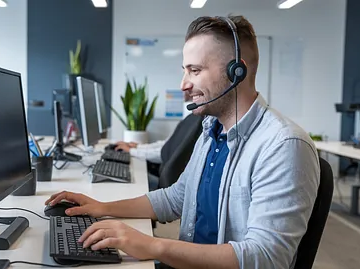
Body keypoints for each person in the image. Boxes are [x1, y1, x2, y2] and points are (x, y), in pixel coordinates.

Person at [46, 15, 319, 269]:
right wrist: (102, 208)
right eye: (185, 71)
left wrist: (153, 246)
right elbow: (176, 198)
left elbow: (268, 257)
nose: (183, 84)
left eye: (195, 70)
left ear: (238, 72)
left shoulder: (283, 146)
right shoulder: (212, 130)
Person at [114, 91, 194, 164]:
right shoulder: (188, 119)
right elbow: (167, 144)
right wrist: (137, 146)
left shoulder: (193, 121)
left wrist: (131, 151)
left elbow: (164, 153)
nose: (183, 86)